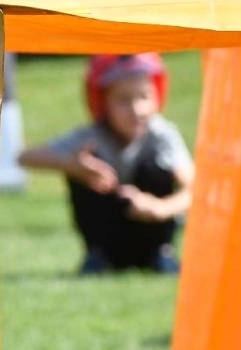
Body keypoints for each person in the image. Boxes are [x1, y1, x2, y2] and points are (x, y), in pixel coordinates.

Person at [19, 53, 193, 275]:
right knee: (86, 168)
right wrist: (73, 166)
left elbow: (194, 189)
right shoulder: (92, 138)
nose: (136, 109)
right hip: (108, 239)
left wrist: (159, 208)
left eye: (144, 97)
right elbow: (25, 157)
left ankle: (161, 254)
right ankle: (98, 257)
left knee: (153, 167)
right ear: (103, 101)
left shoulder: (163, 136)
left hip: (153, 232)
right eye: (123, 99)